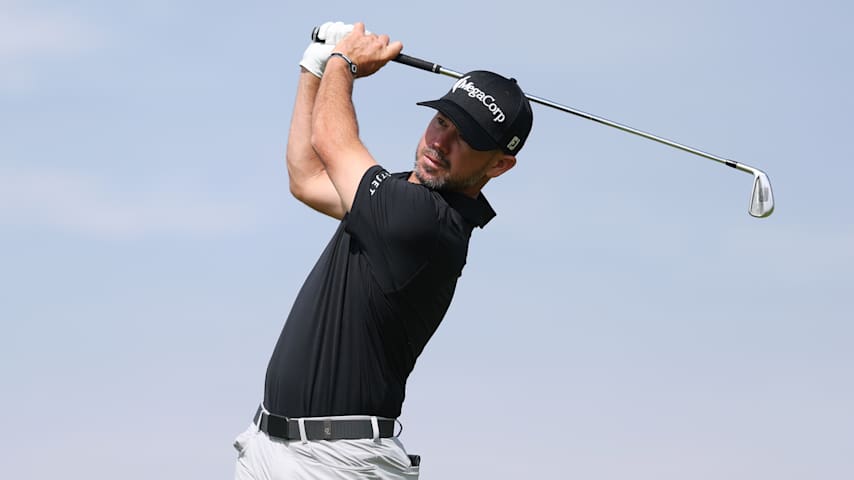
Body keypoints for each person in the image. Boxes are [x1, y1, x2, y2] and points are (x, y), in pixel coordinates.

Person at [233, 21, 533, 479]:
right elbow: (307, 178)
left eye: (466, 138)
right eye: (442, 121)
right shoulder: (397, 197)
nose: (440, 142)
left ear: (500, 164)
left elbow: (332, 142)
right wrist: (313, 68)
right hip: (272, 450)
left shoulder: (423, 222)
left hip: (339, 463)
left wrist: (343, 62)